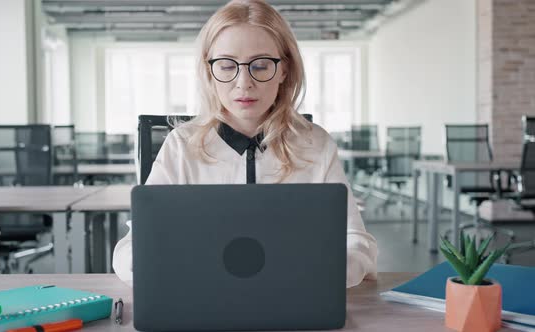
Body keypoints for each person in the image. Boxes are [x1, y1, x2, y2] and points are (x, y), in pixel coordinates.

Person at [113, 0, 377, 288]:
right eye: (226, 66)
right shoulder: (180, 146)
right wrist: (154, 264)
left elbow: (357, 241)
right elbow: (129, 249)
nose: (243, 82)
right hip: (203, 300)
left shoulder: (317, 144)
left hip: (295, 299)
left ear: (284, 70)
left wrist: (333, 271)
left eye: (261, 66)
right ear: (209, 72)